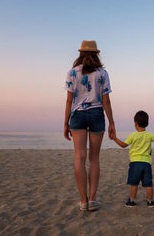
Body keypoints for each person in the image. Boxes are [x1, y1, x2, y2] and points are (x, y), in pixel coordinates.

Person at [63, 40, 115, 211]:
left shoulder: (72, 72)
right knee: (94, 158)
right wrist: (112, 122)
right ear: (96, 54)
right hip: (96, 114)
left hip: (77, 115)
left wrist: (65, 122)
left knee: (79, 158)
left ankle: (83, 200)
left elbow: (69, 100)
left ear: (81, 53)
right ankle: (92, 199)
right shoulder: (102, 73)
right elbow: (106, 100)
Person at [111, 110, 154, 207]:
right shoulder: (149, 135)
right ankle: (150, 201)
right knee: (148, 184)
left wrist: (114, 138)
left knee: (134, 184)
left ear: (135, 124)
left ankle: (132, 201)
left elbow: (123, 145)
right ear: (147, 123)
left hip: (135, 163)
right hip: (146, 163)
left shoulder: (133, 135)